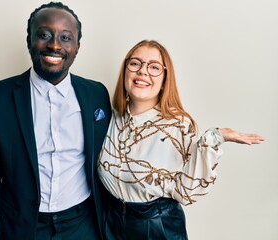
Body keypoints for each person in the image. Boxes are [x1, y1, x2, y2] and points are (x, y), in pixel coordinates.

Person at [97, 39, 264, 240]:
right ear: (125, 70)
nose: (142, 71)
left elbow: (186, 192)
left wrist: (215, 137)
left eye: (154, 67)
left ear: (165, 78)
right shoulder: (109, 117)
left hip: (157, 227)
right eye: (135, 63)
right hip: (111, 224)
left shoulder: (177, 125)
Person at [0, 2, 111, 240]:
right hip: (23, 228)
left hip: (83, 226)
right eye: (44, 35)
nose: (55, 45)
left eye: (65, 37)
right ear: (29, 40)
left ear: (77, 46)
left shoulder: (97, 94)